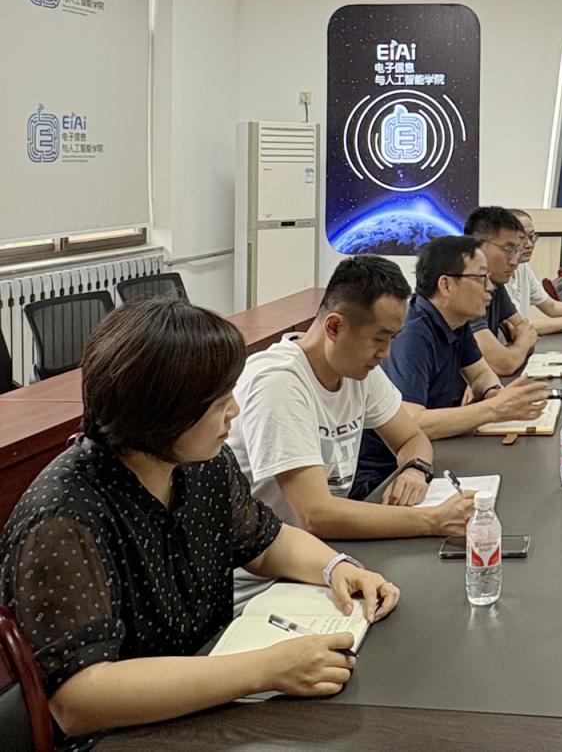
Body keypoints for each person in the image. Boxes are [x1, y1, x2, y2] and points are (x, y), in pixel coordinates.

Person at [0, 299, 401, 750]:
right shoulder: (63, 517)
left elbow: (265, 541)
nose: (235, 411)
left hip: (206, 695)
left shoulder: (202, 463)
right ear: (161, 411)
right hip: (122, 736)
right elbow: (78, 700)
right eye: (218, 402)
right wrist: (265, 668)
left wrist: (336, 568)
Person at [228, 256, 473, 603]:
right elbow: (316, 514)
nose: (386, 354)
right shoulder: (278, 383)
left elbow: (412, 437)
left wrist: (415, 470)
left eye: (393, 339)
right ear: (334, 327)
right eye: (379, 339)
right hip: (266, 585)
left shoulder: (357, 370)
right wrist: (432, 520)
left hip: (327, 559)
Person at [354, 236, 549, 488]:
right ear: (446, 285)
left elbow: (481, 375)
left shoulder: (457, 321)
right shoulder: (411, 334)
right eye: (481, 278)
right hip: (388, 475)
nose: (490, 287)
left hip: (435, 452)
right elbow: (411, 422)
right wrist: (494, 409)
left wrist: (494, 393)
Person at [463, 206, 538, 375]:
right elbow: (504, 365)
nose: (514, 261)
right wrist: (521, 343)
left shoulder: (495, 284)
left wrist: (521, 342)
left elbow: (528, 331)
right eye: (508, 250)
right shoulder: (463, 293)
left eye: (516, 251)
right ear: (477, 246)